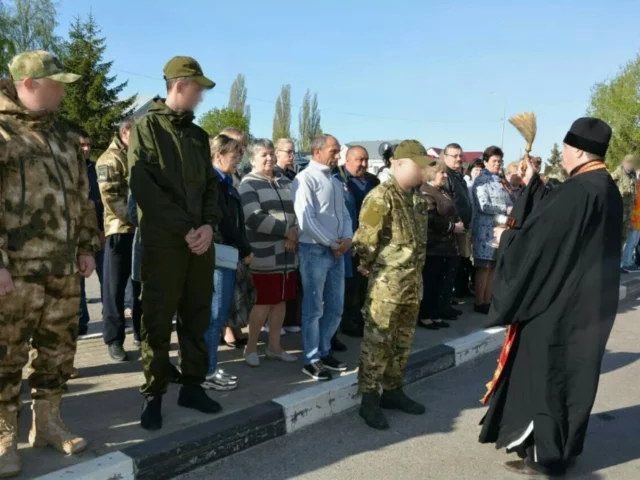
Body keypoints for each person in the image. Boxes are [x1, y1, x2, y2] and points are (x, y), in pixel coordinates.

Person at [479, 117, 621, 477]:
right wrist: (533, 185)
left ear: (575, 150)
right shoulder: (602, 186)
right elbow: (558, 217)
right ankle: (561, 449)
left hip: (559, 304)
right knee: (573, 379)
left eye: (566, 149)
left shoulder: (580, 190)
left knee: (546, 376)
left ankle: (545, 459)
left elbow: (542, 240)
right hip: (589, 304)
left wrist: (507, 241)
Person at [0, 50, 101, 475]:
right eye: (55, 82)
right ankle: (3, 435)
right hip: (15, 270)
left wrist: (85, 245)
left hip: (61, 267)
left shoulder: (63, 137)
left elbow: (81, 196)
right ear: (28, 84)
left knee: (58, 351)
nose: (62, 90)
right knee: (6, 354)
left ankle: (47, 424)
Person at [128, 56, 221, 431]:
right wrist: (187, 228)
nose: (201, 96)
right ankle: (154, 394)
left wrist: (210, 226)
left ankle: (193, 386)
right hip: (165, 243)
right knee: (157, 319)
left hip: (201, 243)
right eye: (197, 88)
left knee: (198, 315)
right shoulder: (147, 127)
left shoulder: (198, 136)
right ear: (180, 85)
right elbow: (145, 187)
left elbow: (212, 187)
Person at [353, 140, 432, 430]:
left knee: (402, 342)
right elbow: (364, 243)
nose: (422, 170)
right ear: (398, 163)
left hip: (412, 284)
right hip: (387, 287)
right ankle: (369, 399)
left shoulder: (417, 199)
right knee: (377, 343)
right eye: (417, 164)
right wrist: (374, 268)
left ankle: (393, 390)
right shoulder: (380, 197)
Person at [292, 134, 352, 381]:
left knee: (336, 308)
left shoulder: (335, 181)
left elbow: (345, 215)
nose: (338, 155)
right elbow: (306, 220)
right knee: (314, 309)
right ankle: (312, 358)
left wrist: (347, 240)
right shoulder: (304, 179)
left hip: (337, 252)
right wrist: (332, 243)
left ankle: (325, 350)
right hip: (314, 251)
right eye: (334, 150)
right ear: (318, 151)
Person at [239, 139, 298, 367]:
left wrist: (294, 234)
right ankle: (251, 348)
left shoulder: (285, 181)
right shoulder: (248, 184)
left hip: (288, 254)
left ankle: (275, 347)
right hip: (265, 254)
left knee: (281, 301)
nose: (270, 158)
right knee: (263, 302)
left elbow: (298, 210)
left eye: (272, 154)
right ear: (252, 159)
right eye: (264, 154)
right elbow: (253, 218)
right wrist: (287, 232)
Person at [202, 134, 251, 391]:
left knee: (218, 314)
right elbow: (223, 221)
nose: (238, 162)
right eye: (234, 157)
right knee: (215, 314)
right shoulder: (213, 182)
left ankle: (208, 366)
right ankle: (206, 371)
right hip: (218, 254)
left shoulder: (226, 181)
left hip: (226, 253)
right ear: (219, 156)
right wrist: (245, 247)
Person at [97, 117, 139, 360]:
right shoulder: (110, 159)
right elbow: (110, 197)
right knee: (114, 289)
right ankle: (114, 340)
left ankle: (140, 335)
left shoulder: (134, 155)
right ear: (125, 132)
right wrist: (135, 219)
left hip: (138, 232)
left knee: (139, 286)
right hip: (119, 231)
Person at [334, 145, 380, 337]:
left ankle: (362, 318)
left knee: (366, 283)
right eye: (359, 160)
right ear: (348, 160)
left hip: (371, 240)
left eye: (366, 160)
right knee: (349, 285)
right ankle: (347, 322)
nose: (363, 164)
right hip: (348, 239)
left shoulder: (373, 180)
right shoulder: (339, 180)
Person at [419, 162, 465, 328]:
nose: (445, 176)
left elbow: (453, 211)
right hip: (434, 247)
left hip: (447, 246)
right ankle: (425, 315)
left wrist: (458, 221)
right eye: (441, 173)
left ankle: (435, 312)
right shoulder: (426, 191)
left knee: (441, 282)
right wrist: (452, 227)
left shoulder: (443, 191)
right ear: (432, 174)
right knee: (430, 282)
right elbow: (431, 219)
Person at [218, 127, 252, 345]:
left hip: (237, 238)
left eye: (243, 147)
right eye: (236, 147)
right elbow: (223, 218)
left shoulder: (236, 175)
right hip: (224, 243)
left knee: (235, 290)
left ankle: (234, 326)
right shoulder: (217, 179)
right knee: (222, 294)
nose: (241, 152)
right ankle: (224, 330)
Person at [471, 146, 513, 314]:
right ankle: (479, 301)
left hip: (498, 228)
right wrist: (505, 208)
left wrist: (510, 207)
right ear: (486, 161)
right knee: (484, 267)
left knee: (493, 266)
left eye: (500, 161)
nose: (498, 164)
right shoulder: (482, 180)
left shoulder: (500, 180)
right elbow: (483, 205)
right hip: (484, 229)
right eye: (494, 161)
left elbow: (509, 199)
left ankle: (488, 300)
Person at [77, 131, 105, 336]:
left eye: (88, 145)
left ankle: (111, 315)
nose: (86, 149)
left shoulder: (97, 169)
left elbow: (105, 201)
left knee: (107, 280)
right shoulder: (66, 169)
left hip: (102, 233)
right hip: (76, 237)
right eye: (81, 145)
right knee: (78, 283)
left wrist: (104, 230)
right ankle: (80, 322)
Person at [441, 143, 473, 304]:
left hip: (461, 227)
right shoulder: (445, 175)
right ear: (445, 157)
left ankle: (449, 298)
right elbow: (447, 202)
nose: (459, 159)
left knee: (456, 265)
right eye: (454, 156)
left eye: (461, 156)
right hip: (451, 229)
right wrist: (456, 222)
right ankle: (444, 301)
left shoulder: (457, 175)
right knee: (448, 267)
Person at [611, 154, 637, 271]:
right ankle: (609, 265)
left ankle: (617, 265)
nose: (630, 165)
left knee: (623, 238)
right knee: (614, 237)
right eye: (628, 162)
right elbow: (608, 182)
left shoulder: (632, 176)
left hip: (628, 212)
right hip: (619, 210)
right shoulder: (618, 172)